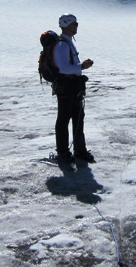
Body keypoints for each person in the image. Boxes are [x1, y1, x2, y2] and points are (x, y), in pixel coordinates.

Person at [53, 13, 95, 164]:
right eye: (74, 24)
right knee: (64, 120)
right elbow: (63, 68)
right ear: (67, 25)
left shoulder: (67, 42)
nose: (77, 26)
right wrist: (81, 66)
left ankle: (80, 151)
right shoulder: (62, 45)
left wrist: (81, 67)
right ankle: (63, 152)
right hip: (66, 88)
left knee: (78, 119)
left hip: (72, 87)